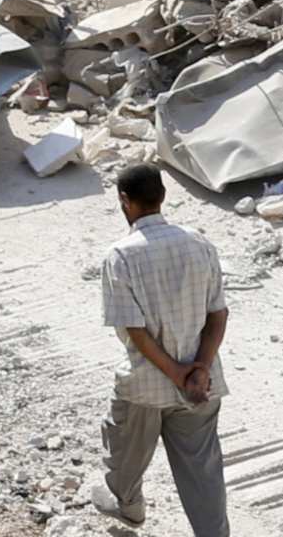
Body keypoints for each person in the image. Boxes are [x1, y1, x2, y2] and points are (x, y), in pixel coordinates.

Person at [96, 163, 229, 537]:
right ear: (163, 196)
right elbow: (218, 314)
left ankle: (129, 508)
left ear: (124, 201)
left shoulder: (121, 256)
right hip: (201, 385)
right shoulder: (199, 242)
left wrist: (175, 372)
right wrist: (199, 368)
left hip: (145, 386)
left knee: (124, 454)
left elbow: (134, 331)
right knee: (202, 470)